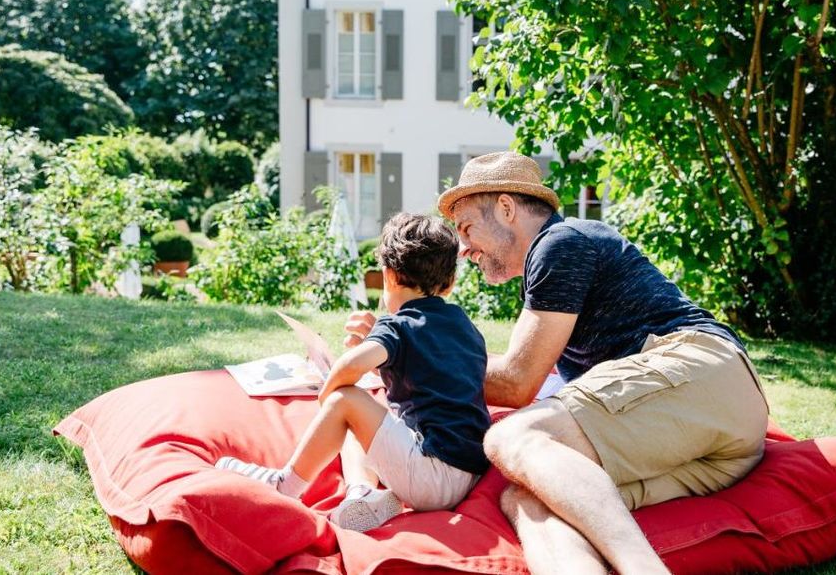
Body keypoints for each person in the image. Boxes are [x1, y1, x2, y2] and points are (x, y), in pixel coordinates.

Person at [345, 152, 769, 574]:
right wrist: (399, 351)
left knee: (511, 436)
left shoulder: (560, 244)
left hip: (700, 371)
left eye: (468, 227)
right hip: (701, 435)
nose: (463, 248)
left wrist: (400, 354)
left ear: (506, 208)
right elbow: (493, 366)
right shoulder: (553, 257)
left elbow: (516, 383)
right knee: (528, 499)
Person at [217, 212, 492, 532]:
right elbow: (432, 371)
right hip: (469, 474)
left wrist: (328, 397)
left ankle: (284, 484)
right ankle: (361, 493)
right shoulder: (463, 326)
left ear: (389, 276)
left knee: (345, 400)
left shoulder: (397, 324)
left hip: (430, 475)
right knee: (361, 418)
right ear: (451, 282)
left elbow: (351, 365)